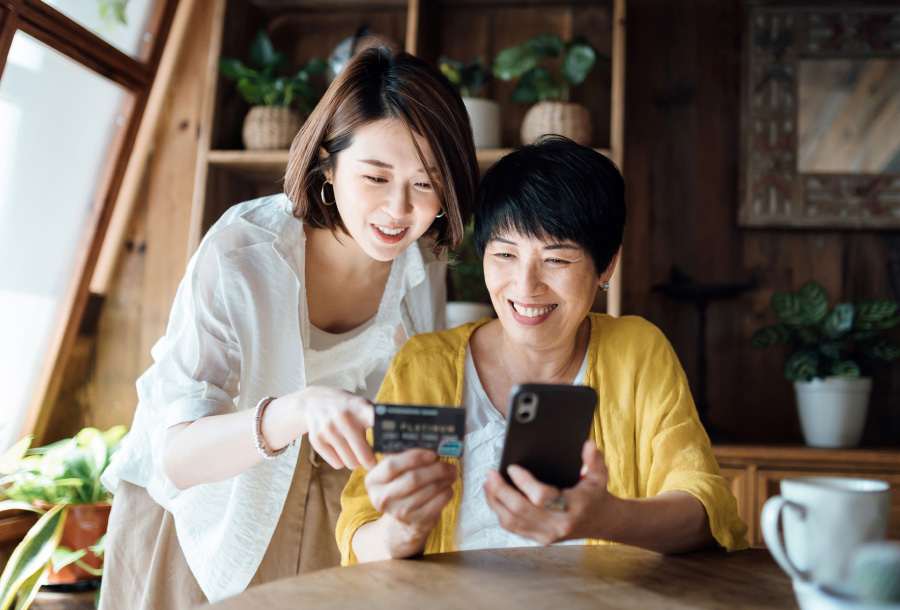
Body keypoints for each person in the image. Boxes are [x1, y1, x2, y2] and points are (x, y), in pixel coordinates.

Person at [99, 47, 478, 608]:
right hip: (200, 509)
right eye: (376, 176)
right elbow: (175, 454)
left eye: (427, 185)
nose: (400, 209)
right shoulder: (242, 250)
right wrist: (299, 409)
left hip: (323, 506)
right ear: (327, 160)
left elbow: (409, 402)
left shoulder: (418, 268)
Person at [336, 136, 748, 563]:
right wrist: (402, 530)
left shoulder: (636, 352)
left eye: (557, 260)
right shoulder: (423, 367)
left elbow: (707, 510)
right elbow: (358, 532)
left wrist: (606, 518)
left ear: (606, 265)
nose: (525, 286)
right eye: (505, 255)